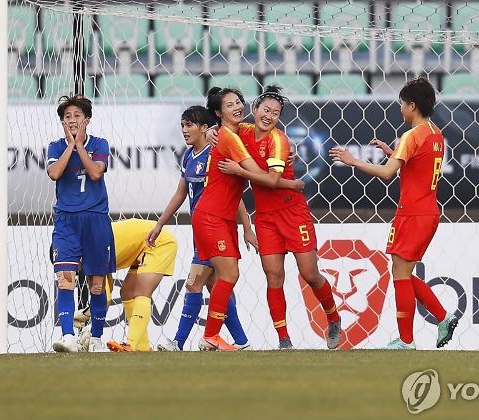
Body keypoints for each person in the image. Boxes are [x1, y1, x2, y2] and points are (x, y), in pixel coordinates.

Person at [329, 77, 458, 350]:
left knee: (400, 274)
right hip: (429, 211)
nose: (400, 108)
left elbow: (388, 173)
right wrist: (393, 151)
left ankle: (407, 340)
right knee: (403, 272)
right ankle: (443, 317)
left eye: (402, 103)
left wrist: (353, 161)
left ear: (412, 105)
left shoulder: (411, 135)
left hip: (412, 213)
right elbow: (417, 165)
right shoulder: (435, 133)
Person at [217, 86, 341, 349]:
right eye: (265, 110)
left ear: (279, 118)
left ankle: (332, 316)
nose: (269, 116)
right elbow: (223, 129)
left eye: (275, 113)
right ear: (255, 110)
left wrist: (239, 172)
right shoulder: (245, 131)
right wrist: (209, 130)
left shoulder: (279, 141)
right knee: (273, 276)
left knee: (309, 274)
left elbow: (273, 180)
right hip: (265, 217)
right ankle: (283, 339)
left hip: (293, 213)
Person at [193, 87, 302, 351]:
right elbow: (260, 172)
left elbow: (250, 175)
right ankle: (209, 336)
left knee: (220, 277)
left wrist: (284, 153)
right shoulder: (228, 138)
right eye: (229, 105)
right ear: (219, 113)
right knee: (227, 274)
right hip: (211, 216)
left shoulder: (235, 134)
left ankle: (211, 336)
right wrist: (291, 183)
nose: (237, 106)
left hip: (220, 216)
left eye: (239, 102)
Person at [146, 105, 255, 351]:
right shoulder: (188, 156)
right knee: (215, 286)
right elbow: (180, 193)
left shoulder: (214, 154)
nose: (184, 131)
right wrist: (159, 225)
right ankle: (242, 342)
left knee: (195, 284)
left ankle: (178, 342)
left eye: (189, 125)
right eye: (182, 126)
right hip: (202, 230)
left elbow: (233, 195)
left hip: (215, 228)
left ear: (205, 128)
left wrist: (247, 227)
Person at [46, 95, 115, 353]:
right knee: (65, 278)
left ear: (87, 120)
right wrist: (70, 146)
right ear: (62, 122)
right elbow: (54, 173)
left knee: (97, 283)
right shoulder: (55, 147)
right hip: (66, 220)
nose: (72, 120)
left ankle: (95, 338)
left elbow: (96, 172)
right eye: (67, 117)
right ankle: (67, 336)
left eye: (76, 116)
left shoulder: (99, 144)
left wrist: (80, 146)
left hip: (96, 219)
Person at [104, 219, 178, 352]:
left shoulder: (93, 252)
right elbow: (105, 292)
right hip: (141, 244)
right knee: (126, 292)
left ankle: (131, 344)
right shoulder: (90, 247)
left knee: (141, 291)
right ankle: (142, 347)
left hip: (158, 241)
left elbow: (104, 298)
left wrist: (85, 315)